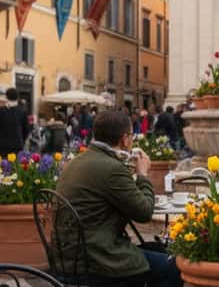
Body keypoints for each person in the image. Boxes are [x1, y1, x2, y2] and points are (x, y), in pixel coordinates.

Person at [55, 111, 182, 286]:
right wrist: (143, 174)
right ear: (124, 139)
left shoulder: (78, 161)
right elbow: (144, 212)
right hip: (98, 260)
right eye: (131, 136)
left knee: (157, 249)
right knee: (176, 268)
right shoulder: (112, 168)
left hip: (70, 255)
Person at [0, 88, 30, 156]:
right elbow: (26, 130)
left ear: (6, 97)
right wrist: (21, 140)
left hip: (3, 146)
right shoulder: (23, 111)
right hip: (17, 145)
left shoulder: (1, 111)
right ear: (17, 97)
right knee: (15, 166)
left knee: (3, 166)